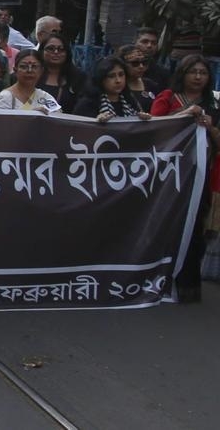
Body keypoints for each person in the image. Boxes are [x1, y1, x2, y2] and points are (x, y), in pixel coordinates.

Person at [150, 54, 220, 303]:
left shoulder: (211, 103)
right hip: (169, 176)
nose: (198, 77)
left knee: (194, 230)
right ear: (183, 74)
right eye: (193, 72)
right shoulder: (168, 98)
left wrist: (210, 127)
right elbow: (152, 128)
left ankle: (187, 285)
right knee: (166, 224)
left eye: (203, 73)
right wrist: (183, 114)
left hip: (199, 177)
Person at [72, 56, 151, 122]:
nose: (118, 80)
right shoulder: (87, 104)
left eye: (121, 74)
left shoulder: (129, 101)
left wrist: (141, 119)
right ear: (101, 79)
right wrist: (96, 122)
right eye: (111, 76)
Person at [0, 49, 61, 114]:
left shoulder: (45, 97)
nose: (29, 71)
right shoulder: (5, 97)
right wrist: (30, 116)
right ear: (15, 70)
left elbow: (58, 121)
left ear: (41, 71)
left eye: (34, 66)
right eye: (24, 66)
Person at [36, 34, 82, 114]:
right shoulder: (31, 74)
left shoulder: (79, 78)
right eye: (50, 48)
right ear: (42, 51)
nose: (56, 52)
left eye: (61, 49)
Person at [116, 44, 158, 113]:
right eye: (135, 63)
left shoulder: (151, 85)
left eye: (144, 62)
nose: (141, 66)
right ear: (123, 65)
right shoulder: (117, 87)